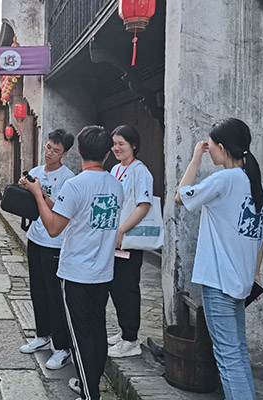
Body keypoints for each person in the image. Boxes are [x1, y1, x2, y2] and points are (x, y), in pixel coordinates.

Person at [22, 126, 124, 400]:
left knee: (80, 336)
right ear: (107, 154)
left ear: (77, 151)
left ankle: (90, 394)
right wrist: (43, 195)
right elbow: (75, 214)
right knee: (97, 330)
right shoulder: (116, 185)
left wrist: (37, 195)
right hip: (103, 271)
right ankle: (89, 383)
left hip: (77, 273)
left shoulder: (75, 184)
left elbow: (54, 227)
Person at [175, 118, 263, 400]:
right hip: (240, 280)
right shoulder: (253, 182)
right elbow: (259, 237)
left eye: (211, 145)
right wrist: (255, 274)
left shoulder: (225, 179)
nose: (209, 150)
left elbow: (180, 197)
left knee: (227, 357)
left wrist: (194, 160)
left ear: (222, 148)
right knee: (236, 352)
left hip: (219, 279)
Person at [17, 129, 76, 370]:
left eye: (56, 150)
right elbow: (27, 201)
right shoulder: (36, 172)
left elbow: (61, 210)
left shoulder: (68, 179)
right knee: (37, 290)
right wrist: (24, 187)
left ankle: (62, 347)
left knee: (55, 295)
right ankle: (42, 335)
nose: (50, 153)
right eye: (48, 147)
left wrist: (39, 192)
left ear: (66, 153)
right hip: (36, 237)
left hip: (56, 242)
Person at [106, 125, 154, 358]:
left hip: (128, 239)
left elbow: (143, 205)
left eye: (121, 144)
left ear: (133, 145)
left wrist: (122, 230)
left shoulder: (140, 171)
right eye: (114, 144)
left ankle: (131, 340)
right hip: (114, 239)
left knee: (127, 287)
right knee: (115, 287)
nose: (116, 148)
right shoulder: (115, 169)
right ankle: (124, 331)